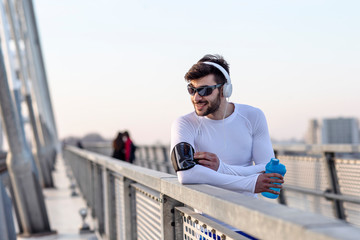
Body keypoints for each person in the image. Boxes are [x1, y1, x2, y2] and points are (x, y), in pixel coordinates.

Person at [170, 54, 284, 198]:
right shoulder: (184, 123)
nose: (196, 98)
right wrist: (249, 183)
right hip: (204, 218)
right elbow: (186, 174)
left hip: (248, 214)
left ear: (224, 89)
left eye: (205, 90)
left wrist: (221, 168)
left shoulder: (253, 116)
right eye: (192, 90)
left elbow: (268, 171)